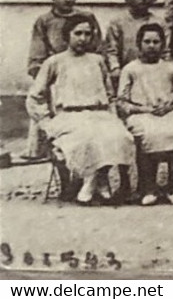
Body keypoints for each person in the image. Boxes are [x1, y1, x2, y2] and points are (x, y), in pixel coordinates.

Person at [28, 14, 136, 204]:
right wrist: (46, 121)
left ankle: (94, 181)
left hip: (99, 113)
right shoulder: (55, 62)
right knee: (87, 138)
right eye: (78, 33)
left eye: (87, 34)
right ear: (67, 35)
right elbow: (35, 96)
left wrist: (113, 116)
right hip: (70, 116)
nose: (83, 38)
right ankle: (95, 182)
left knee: (120, 136)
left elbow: (110, 95)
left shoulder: (97, 60)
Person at [103, 0, 165, 76]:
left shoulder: (159, 22)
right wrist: (115, 67)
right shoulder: (118, 22)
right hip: (125, 72)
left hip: (153, 72)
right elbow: (111, 50)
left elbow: (165, 51)